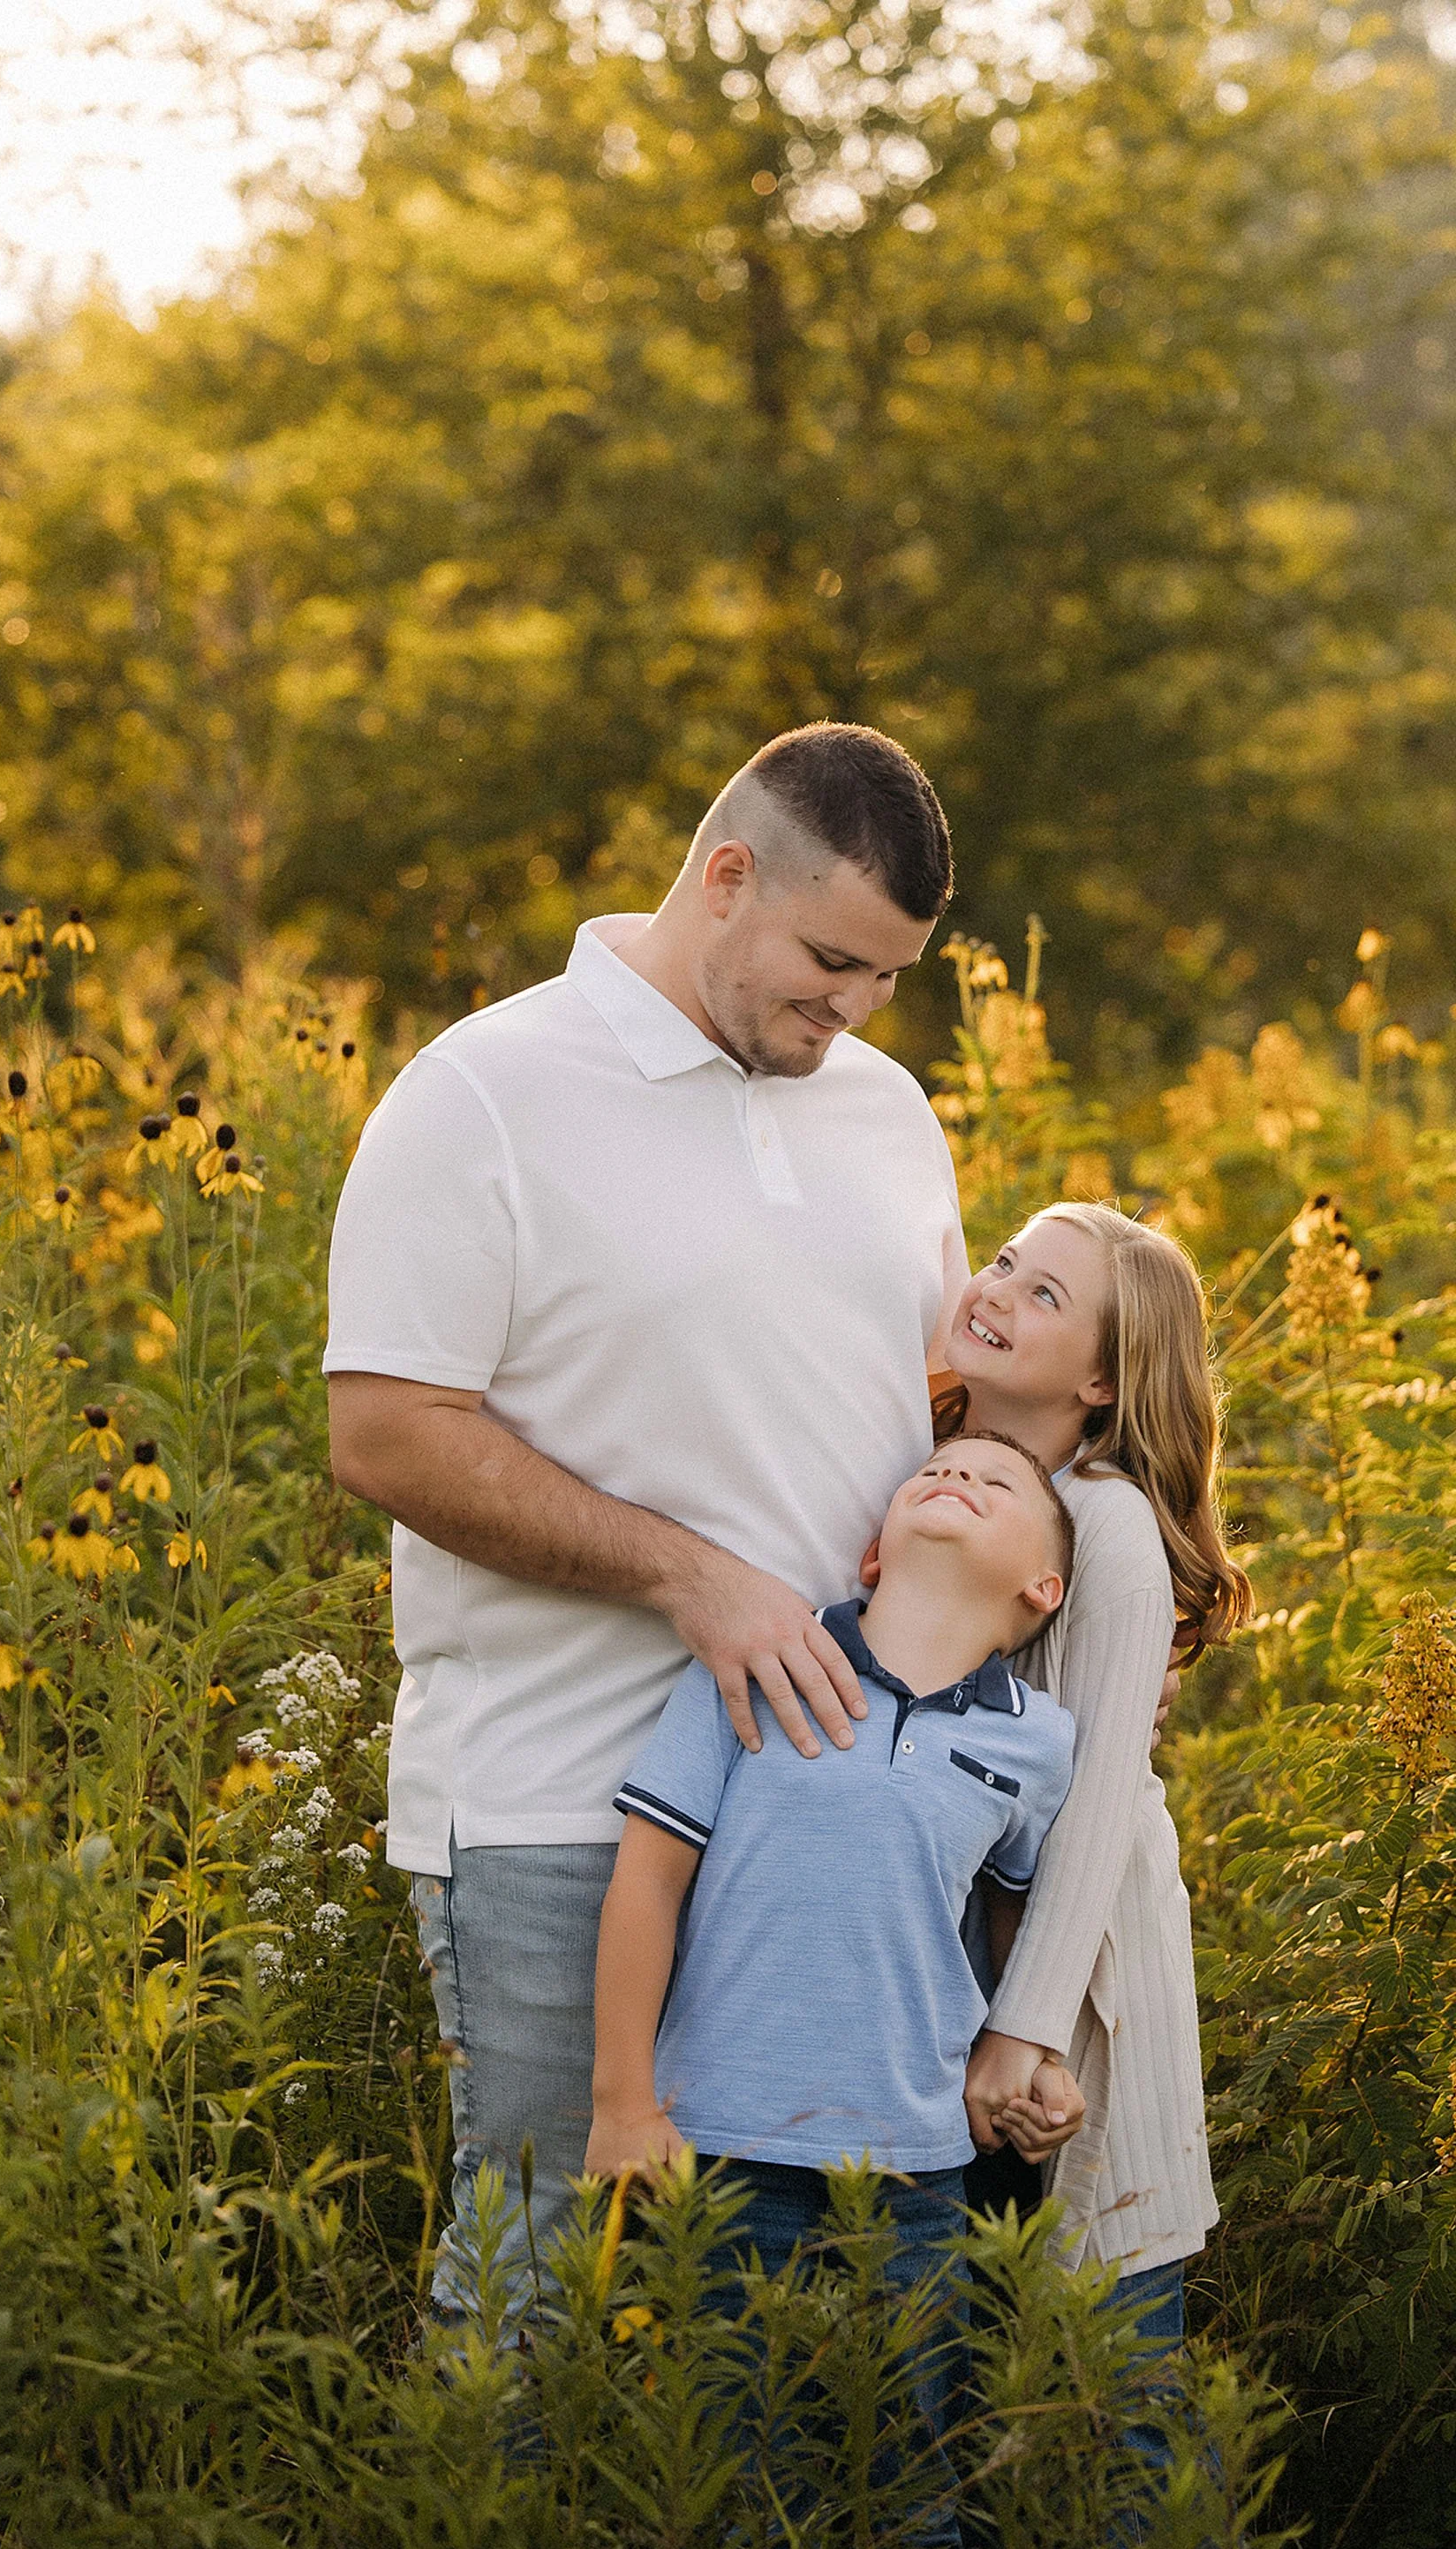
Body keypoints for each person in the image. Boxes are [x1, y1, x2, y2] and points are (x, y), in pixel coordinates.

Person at [324, 722, 989, 2315]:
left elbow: (938, 1410)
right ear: (726, 875)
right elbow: (385, 1433)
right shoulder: (480, 1092)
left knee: (791, 2295)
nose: (852, 1013)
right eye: (831, 962)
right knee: (541, 2261)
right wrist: (696, 1581)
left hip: (831, 1816)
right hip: (559, 1798)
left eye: (888, 979)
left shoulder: (887, 1112)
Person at [585, 1428, 1083, 2549]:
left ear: (1042, 1590)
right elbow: (646, 1883)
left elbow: (1008, 1924)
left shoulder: (1037, 1742)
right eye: (936, 1469)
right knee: (737, 2496)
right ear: (873, 1549)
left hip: (912, 2178)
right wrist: (623, 2101)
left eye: (999, 1481)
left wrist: (1027, 2058)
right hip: (724, 2157)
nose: (957, 1475)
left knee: (910, 2495)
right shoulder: (765, 1661)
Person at [942, 1202, 1252, 2358]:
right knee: (981, 2381)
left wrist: (1026, 2032)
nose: (998, 1290)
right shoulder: (945, 1474)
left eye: (1045, 1297)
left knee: (1107, 2402)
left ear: (1106, 1385)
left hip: (1080, 1989)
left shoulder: (1108, 1524)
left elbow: (1099, 1805)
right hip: (965, 1978)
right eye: (1006, 1262)